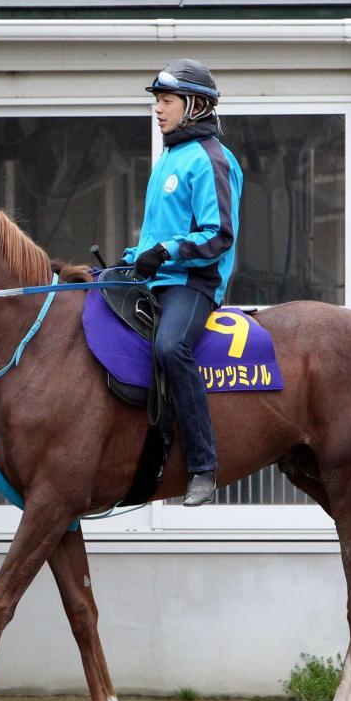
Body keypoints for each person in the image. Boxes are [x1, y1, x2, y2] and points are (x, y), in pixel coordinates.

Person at [119, 59, 243, 507]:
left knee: (171, 347)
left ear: (193, 106)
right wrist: (130, 259)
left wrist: (165, 253)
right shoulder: (170, 157)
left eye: (166, 101)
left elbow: (218, 235)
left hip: (194, 284)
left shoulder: (211, 159)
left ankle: (202, 467)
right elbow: (155, 235)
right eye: (157, 101)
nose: (158, 109)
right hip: (159, 281)